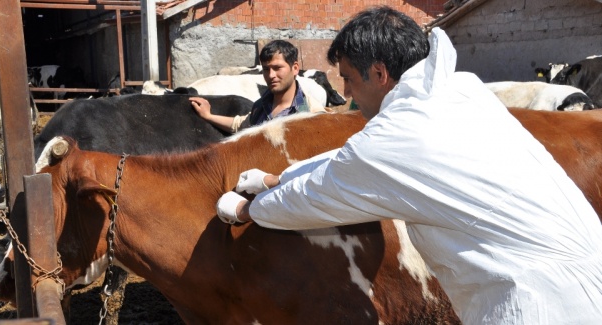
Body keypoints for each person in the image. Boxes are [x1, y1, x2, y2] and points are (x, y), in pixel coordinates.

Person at [215, 6, 602, 325]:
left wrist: (250, 208)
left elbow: (320, 194)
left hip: (536, 305)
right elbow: (352, 160)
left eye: (348, 79)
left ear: (380, 74)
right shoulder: (456, 90)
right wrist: (276, 177)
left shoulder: (396, 138)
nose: (345, 93)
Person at [189, 40, 326, 133]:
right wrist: (208, 116)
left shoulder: (312, 114)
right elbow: (240, 125)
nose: (271, 75)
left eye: (277, 68)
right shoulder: (260, 106)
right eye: (266, 69)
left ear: (295, 68)